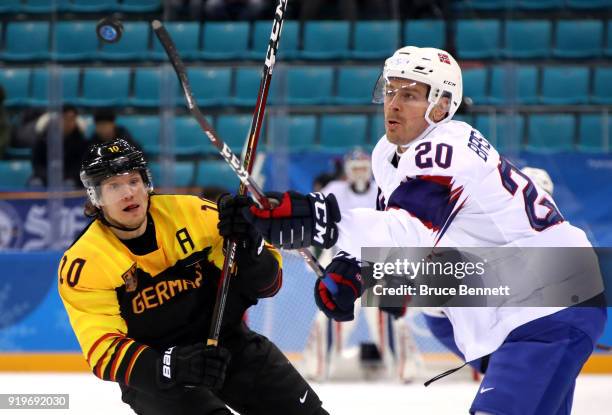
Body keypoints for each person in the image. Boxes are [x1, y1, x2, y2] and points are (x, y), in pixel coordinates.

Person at [230, 46, 607, 415]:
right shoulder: (389, 153)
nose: (392, 104)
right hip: (521, 298)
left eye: (409, 95)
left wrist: (319, 218)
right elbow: (404, 244)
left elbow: (407, 234)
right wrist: (360, 269)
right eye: (390, 90)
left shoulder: (445, 148)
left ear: (442, 105)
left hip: (547, 303)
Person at [58, 138, 328, 415]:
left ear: (146, 183)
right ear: (95, 197)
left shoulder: (193, 214)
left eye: (134, 181)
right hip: (156, 371)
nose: (128, 193)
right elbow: (104, 352)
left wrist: (251, 246)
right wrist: (171, 366)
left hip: (228, 344)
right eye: (114, 186)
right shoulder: (85, 262)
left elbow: (268, 285)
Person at [30, 105, 88, 187]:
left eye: (71, 119)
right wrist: (48, 176)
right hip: (44, 177)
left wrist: (64, 176)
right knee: (35, 184)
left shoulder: (81, 142)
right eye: (65, 118)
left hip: (70, 178)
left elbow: (80, 166)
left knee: (69, 185)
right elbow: (36, 163)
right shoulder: (44, 138)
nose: (68, 122)